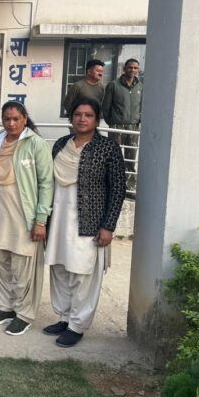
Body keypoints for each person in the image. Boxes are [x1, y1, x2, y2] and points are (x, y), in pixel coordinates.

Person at [44, 98, 126, 347]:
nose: (82, 119)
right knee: (59, 268)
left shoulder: (108, 147)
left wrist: (108, 226)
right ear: (71, 118)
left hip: (89, 221)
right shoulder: (61, 145)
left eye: (88, 115)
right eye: (78, 114)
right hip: (58, 219)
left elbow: (118, 189)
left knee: (82, 273)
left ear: (96, 119)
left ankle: (77, 325)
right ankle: (64, 317)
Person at [0, 101, 53, 336]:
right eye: (7, 119)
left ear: (24, 119)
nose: (11, 123)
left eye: (16, 119)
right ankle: (5, 307)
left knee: (23, 268)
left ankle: (24, 314)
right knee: (0, 263)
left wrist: (40, 220)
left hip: (23, 216)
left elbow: (46, 183)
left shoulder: (36, 144)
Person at [102, 58, 143, 192]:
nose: (132, 70)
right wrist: (113, 122)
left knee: (131, 157)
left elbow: (142, 106)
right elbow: (106, 107)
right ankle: (113, 185)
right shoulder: (113, 85)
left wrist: (138, 120)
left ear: (138, 70)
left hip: (133, 127)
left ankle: (129, 187)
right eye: (130, 67)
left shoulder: (141, 86)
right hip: (117, 126)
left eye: (135, 68)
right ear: (124, 69)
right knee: (115, 156)